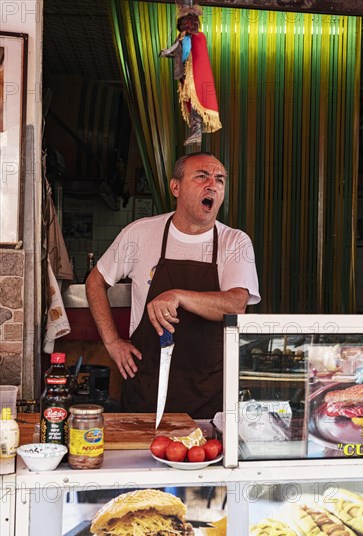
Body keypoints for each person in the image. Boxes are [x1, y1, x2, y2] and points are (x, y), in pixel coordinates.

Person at [86, 152, 260, 418]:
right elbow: (95, 281)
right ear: (175, 187)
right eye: (202, 176)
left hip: (208, 396)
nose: (212, 184)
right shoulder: (140, 233)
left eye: (220, 179)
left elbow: (236, 304)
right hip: (145, 388)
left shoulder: (235, 242)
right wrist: (112, 342)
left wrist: (177, 295)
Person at [159, 6, 221, 146]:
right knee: (193, 102)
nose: (189, 26)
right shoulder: (183, 37)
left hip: (196, 74)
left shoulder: (197, 37)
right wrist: (167, 52)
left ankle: (197, 131)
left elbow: (177, 49)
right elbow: (177, 50)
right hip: (187, 74)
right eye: (185, 24)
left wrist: (167, 51)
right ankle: (196, 131)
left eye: (192, 23)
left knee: (196, 100)